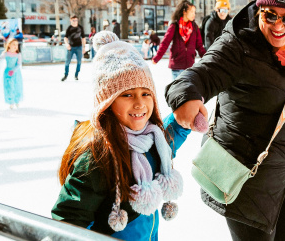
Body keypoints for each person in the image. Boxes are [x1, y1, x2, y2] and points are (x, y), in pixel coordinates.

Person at [164, 0, 285, 240]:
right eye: (269, 15)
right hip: (247, 178)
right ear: (259, 10)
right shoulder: (237, 44)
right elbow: (198, 75)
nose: (278, 26)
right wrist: (186, 96)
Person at [51, 31, 188, 239]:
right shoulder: (98, 156)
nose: (140, 103)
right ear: (107, 102)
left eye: (145, 93)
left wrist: (183, 120)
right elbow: (69, 219)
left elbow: (169, 138)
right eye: (127, 94)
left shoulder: (153, 139)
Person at [152, 0, 206, 79]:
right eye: (191, 11)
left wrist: (207, 59)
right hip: (177, 66)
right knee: (178, 90)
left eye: (194, 12)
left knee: (188, 91)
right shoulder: (175, 26)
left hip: (190, 66)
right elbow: (165, 43)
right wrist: (157, 57)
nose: (194, 14)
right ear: (184, 11)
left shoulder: (194, 27)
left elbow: (200, 46)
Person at [0, 38, 23, 109]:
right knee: (8, 87)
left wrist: (13, 70)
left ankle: (16, 101)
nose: (15, 46)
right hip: (7, 72)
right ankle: (11, 102)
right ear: (9, 45)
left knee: (16, 86)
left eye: (17, 45)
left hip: (16, 73)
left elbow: (18, 64)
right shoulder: (5, 54)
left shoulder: (18, 55)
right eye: (14, 44)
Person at [62, 15, 86, 81]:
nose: (75, 22)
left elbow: (83, 38)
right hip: (71, 47)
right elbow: (65, 38)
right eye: (73, 20)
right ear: (71, 20)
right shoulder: (69, 28)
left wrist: (84, 47)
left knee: (79, 62)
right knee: (67, 62)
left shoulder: (80, 28)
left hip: (79, 47)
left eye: (76, 20)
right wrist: (67, 44)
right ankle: (65, 75)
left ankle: (76, 75)